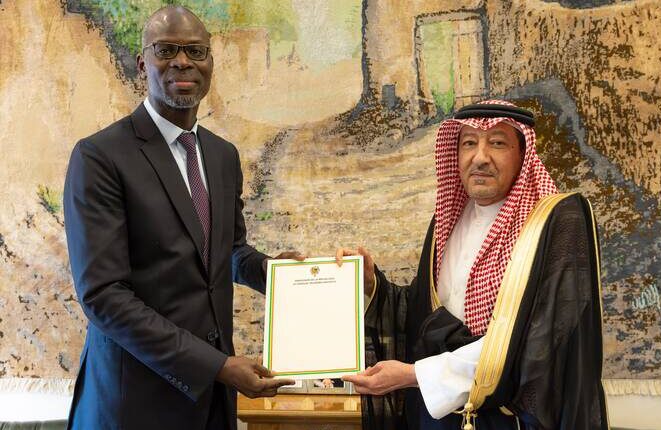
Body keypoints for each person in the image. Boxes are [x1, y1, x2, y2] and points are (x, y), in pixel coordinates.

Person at [63, 6, 301, 430]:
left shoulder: (222, 156)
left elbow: (229, 251)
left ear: (210, 63)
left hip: (211, 405)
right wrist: (216, 366)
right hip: (134, 406)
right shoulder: (99, 157)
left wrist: (274, 273)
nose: (182, 61)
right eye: (166, 50)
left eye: (195, 51)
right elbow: (104, 296)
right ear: (143, 64)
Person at [337, 100, 608, 429]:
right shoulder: (446, 223)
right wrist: (372, 285)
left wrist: (416, 375)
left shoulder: (555, 222)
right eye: (468, 143)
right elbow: (427, 316)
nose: (480, 157)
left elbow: (542, 341)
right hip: (439, 420)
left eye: (497, 143)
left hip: (509, 419)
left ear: (523, 154)